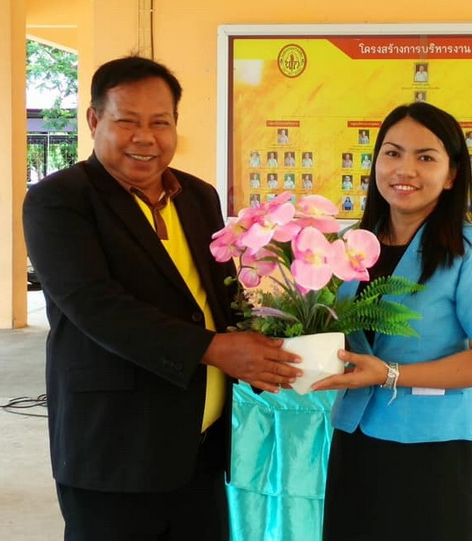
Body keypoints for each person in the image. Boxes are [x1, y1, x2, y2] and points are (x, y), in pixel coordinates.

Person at [23, 56, 302, 541]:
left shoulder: (198, 196)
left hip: (201, 445)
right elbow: (95, 305)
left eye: (160, 122)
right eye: (126, 121)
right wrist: (213, 349)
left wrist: (276, 335)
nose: (144, 137)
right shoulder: (60, 200)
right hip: (115, 449)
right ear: (94, 121)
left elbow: (219, 296)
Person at [311, 101, 472, 540]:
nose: (405, 169)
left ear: (452, 174)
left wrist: (387, 374)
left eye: (425, 157)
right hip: (357, 436)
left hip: (434, 447)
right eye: (392, 153)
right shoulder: (351, 243)